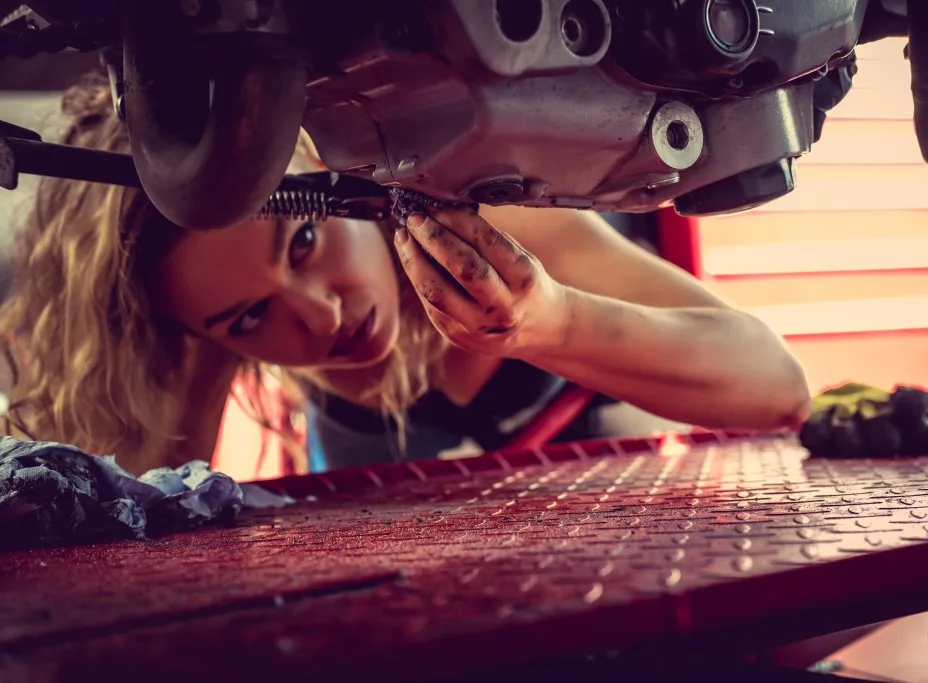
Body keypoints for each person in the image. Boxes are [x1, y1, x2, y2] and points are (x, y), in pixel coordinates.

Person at [0, 72, 812, 477]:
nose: (316, 319)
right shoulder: (221, 338)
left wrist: (550, 324)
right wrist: (203, 353)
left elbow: (776, 382)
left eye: (306, 237)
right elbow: (148, 537)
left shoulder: (491, 218)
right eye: (250, 317)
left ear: (338, 170)